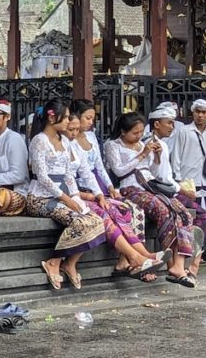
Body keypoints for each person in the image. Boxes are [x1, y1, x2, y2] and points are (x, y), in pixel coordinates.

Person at [63, 113, 162, 286]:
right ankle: (136, 256)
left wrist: (102, 193)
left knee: (123, 208)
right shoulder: (50, 144)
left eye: (77, 129)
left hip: (91, 191)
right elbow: (62, 181)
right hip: (71, 195)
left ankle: (139, 255)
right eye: (71, 129)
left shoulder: (77, 143)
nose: (75, 133)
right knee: (105, 215)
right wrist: (88, 195)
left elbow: (89, 170)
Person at [106, 109, 198, 288]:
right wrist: (142, 154)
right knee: (162, 209)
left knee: (182, 212)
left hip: (150, 185)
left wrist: (156, 156)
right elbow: (119, 170)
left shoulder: (143, 144)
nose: (139, 136)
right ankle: (169, 264)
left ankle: (178, 264)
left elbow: (154, 171)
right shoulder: (113, 145)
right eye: (134, 133)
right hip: (130, 187)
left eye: (141, 132)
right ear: (123, 131)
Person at [25, 99, 107, 291]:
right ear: (53, 117)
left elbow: (69, 173)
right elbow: (43, 177)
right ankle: (55, 261)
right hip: (41, 197)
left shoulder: (64, 141)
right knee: (78, 221)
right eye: (67, 117)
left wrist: (76, 197)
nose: (69, 121)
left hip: (63, 194)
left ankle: (69, 262)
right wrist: (66, 198)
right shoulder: (39, 141)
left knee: (95, 220)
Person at [170, 98, 206, 280]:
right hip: (187, 182)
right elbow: (176, 155)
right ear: (193, 113)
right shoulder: (184, 131)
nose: (200, 115)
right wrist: (177, 179)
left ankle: (200, 254)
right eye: (197, 111)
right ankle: (189, 258)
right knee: (190, 218)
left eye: (204, 112)